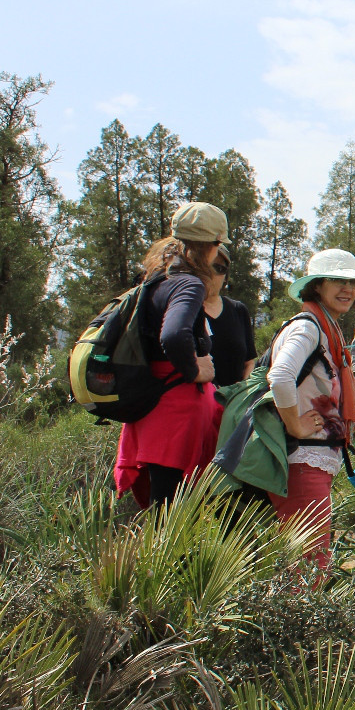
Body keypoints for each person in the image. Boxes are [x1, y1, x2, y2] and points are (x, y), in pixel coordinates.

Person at [112, 202, 229, 509]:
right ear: (212, 245)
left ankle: (159, 558)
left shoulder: (156, 278)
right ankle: (169, 559)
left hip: (152, 404)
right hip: (176, 411)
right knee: (173, 510)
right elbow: (174, 335)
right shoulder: (188, 283)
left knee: (162, 504)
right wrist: (195, 370)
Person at [270, 248, 355, 568]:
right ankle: (300, 619)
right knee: (308, 566)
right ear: (316, 285)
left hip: (311, 462)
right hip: (302, 459)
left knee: (305, 561)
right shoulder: (308, 328)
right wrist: (296, 425)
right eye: (337, 279)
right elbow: (279, 376)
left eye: (353, 283)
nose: (348, 289)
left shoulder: (325, 327)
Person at [202, 243, 255, 388]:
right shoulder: (187, 311)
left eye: (219, 268)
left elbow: (250, 361)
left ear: (226, 276)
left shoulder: (238, 310)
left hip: (235, 405)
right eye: (208, 266)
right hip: (201, 401)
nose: (212, 274)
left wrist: (242, 389)